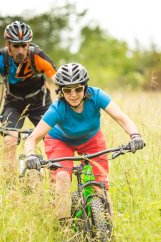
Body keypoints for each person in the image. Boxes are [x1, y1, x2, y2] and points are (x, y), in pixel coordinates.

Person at [24, 63, 145, 221]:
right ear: (61, 91)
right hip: (60, 141)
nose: (73, 95)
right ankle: (66, 233)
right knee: (62, 178)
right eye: (67, 90)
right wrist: (30, 155)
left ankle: (109, 231)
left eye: (78, 89)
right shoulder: (57, 108)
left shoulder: (97, 96)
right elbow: (32, 138)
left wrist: (135, 135)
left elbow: (121, 118)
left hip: (91, 139)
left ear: (85, 87)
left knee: (100, 185)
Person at [0, 21, 57, 169]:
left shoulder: (38, 56)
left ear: (29, 44)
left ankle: (55, 178)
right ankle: (9, 184)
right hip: (14, 103)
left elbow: (58, 81)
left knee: (53, 138)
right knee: (10, 139)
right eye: (16, 46)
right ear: (8, 45)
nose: (21, 51)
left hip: (40, 102)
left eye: (24, 45)